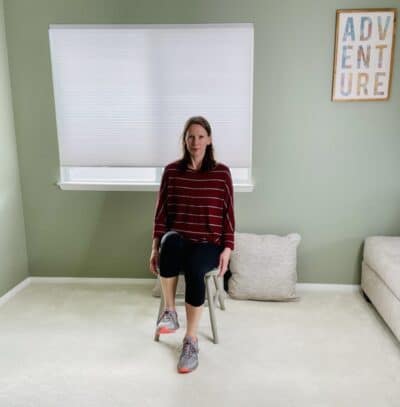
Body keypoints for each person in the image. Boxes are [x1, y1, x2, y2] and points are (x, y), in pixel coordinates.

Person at [149, 116, 235, 374]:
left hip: (208, 243)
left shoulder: (221, 173)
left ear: (209, 140)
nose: (195, 141)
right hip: (180, 240)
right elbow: (161, 214)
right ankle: (170, 313)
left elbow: (229, 215)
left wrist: (228, 249)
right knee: (169, 241)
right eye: (190, 136)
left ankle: (191, 341)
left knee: (196, 267)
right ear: (184, 141)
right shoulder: (172, 171)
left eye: (200, 136)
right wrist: (155, 248)